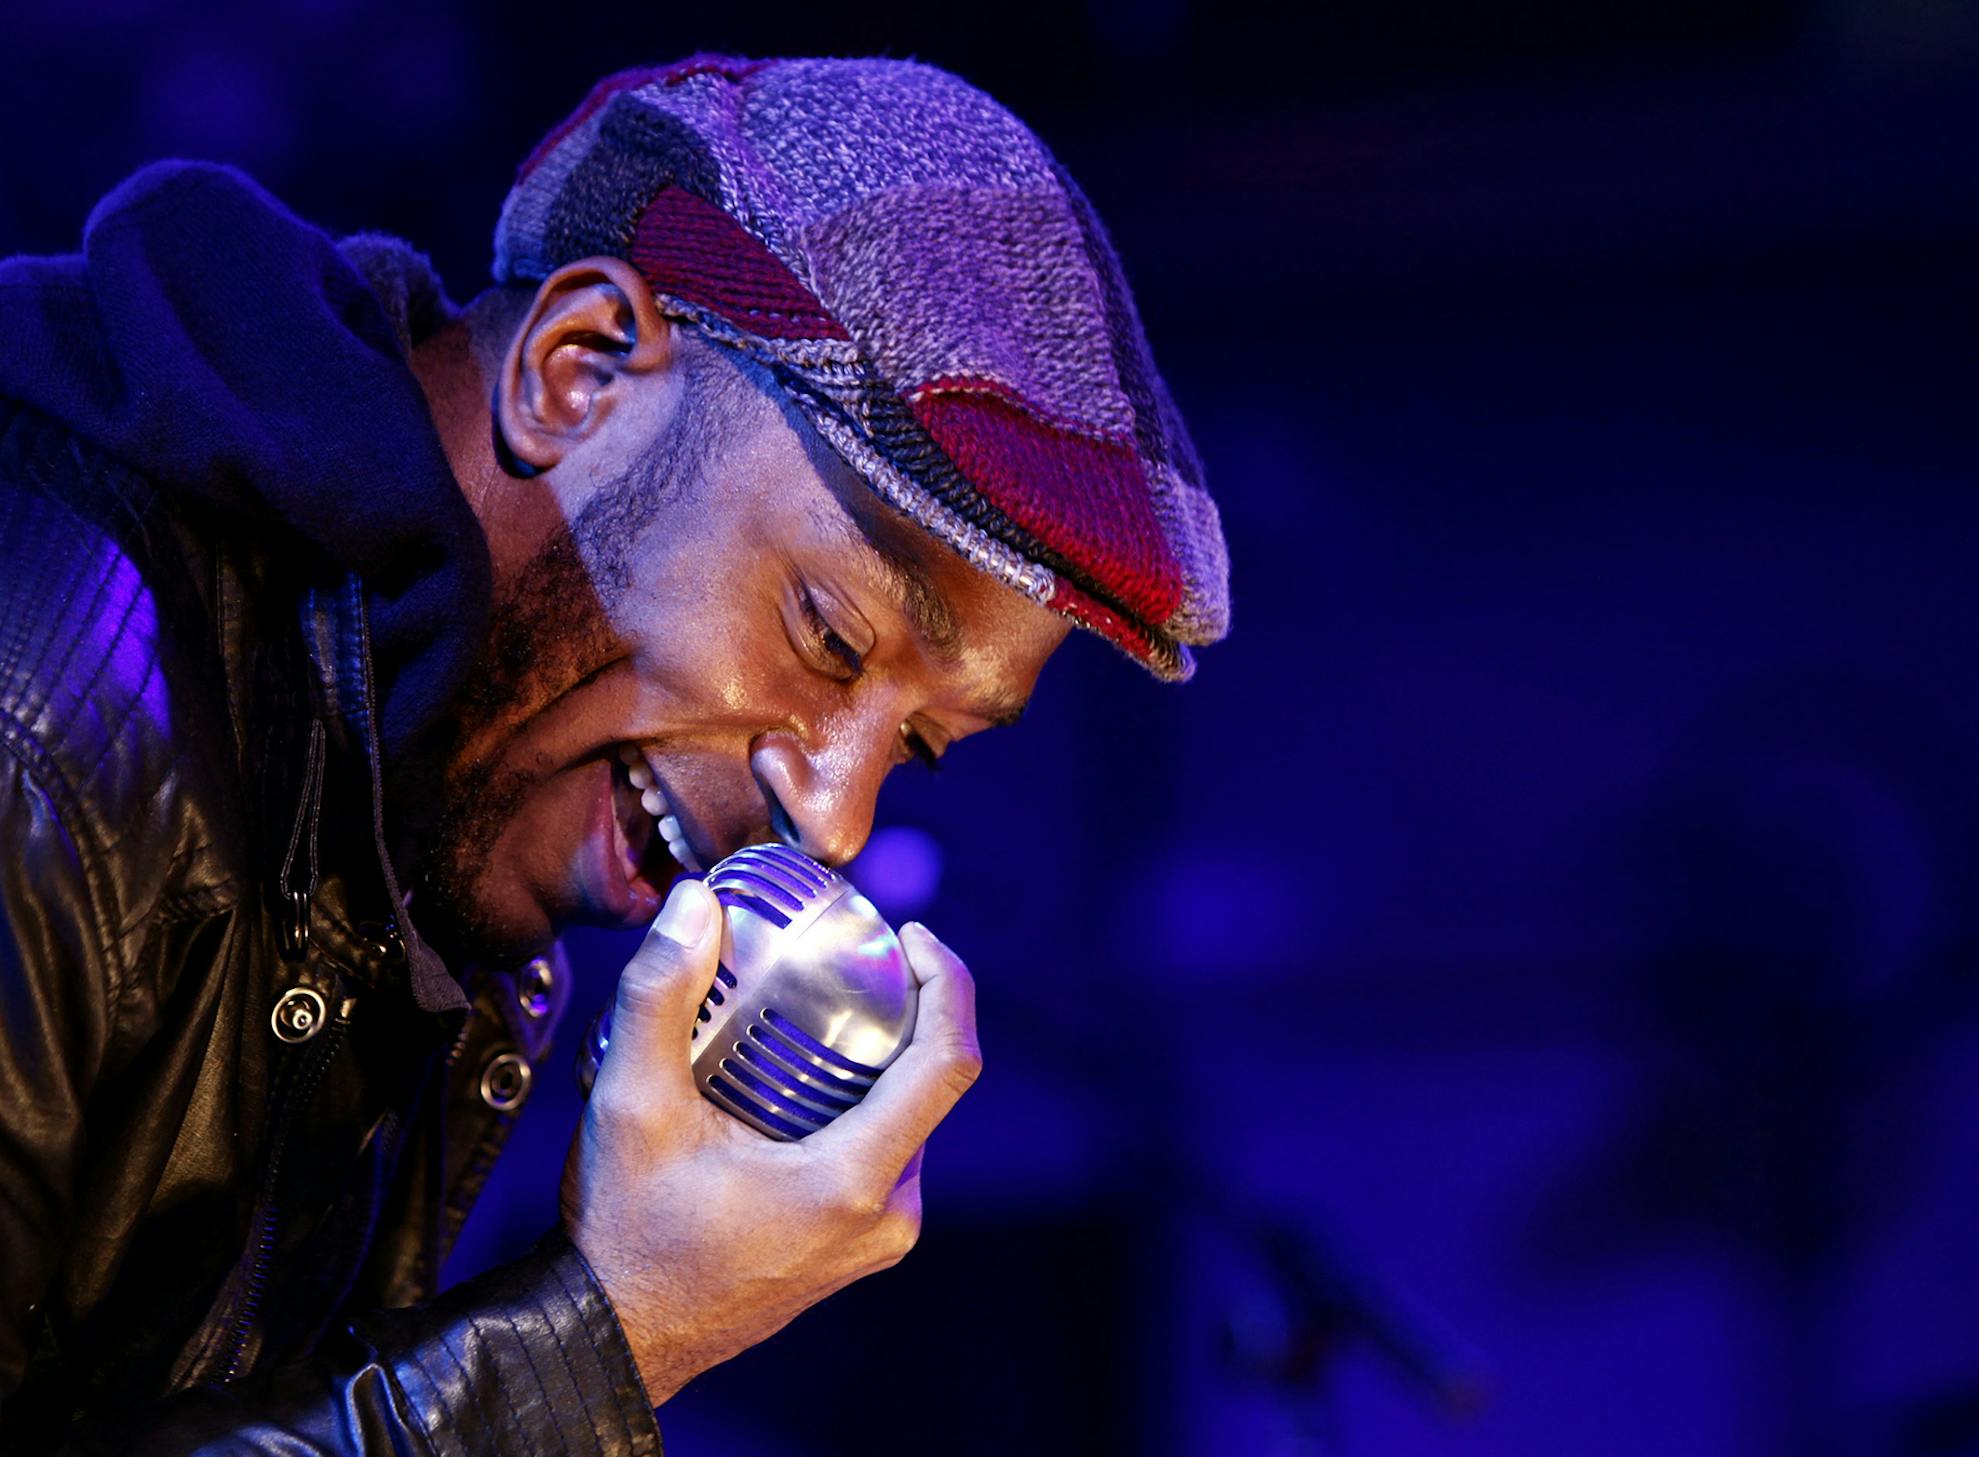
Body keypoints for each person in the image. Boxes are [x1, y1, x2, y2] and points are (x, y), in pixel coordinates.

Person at [0, 53, 1228, 1453]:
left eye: (921, 747)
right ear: (575, 374)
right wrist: (604, 1338)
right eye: (826, 635)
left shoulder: (415, 820)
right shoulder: (43, 715)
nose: (828, 817)